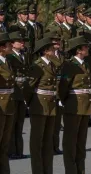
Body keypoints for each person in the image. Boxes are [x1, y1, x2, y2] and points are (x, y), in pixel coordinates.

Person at [59, 36, 91, 174]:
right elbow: (63, 88)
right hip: (73, 107)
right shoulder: (69, 65)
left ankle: (80, 170)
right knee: (70, 142)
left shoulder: (85, 64)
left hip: (85, 107)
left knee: (81, 142)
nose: (87, 49)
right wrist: (67, 102)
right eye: (85, 47)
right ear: (78, 50)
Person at [26, 37, 58, 174]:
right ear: (45, 51)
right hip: (39, 105)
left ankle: (47, 170)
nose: (54, 50)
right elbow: (28, 88)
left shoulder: (51, 64)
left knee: (48, 141)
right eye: (52, 49)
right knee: (37, 142)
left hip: (50, 105)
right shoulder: (37, 66)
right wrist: (31, 104)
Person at [7, 31, 28, 160]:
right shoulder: (9, 57)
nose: (22, 43)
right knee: (12, 124)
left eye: (22, 41)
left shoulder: (23, 55)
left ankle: (19, 151)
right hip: (14, 92)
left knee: (19, 124)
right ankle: (11, 151)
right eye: (19, 41)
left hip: (22, 93)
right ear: (12, 44)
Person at [0, 32, 16, 173]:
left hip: (9, 106)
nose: (11, 45)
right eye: (8, 44)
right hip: (0, 107)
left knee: (4, 145)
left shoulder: (7, 61)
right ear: (1, 47)